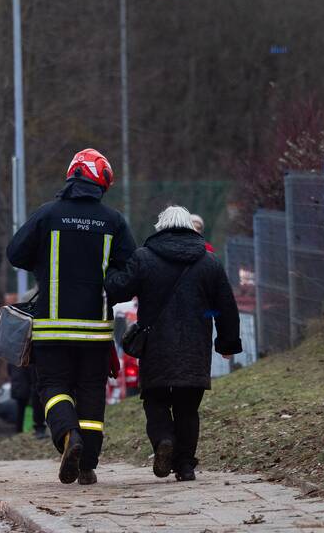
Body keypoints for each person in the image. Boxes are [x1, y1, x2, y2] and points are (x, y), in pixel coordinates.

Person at [7, 148, 136, 485]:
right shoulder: (114, 221)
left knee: (52, 386)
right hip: (95, 329)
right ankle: (88, 464)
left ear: (71, 176)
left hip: (51, 327)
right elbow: (130, 271)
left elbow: (15, 252)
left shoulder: (47, 215)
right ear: (102, 182)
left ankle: (68, 437)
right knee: (92, 391)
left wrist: (42, 262)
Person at [104, 205, 242, 482]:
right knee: (188, 408)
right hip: (195, 346)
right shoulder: (209, 262)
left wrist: (110, 265)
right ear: (190, 227)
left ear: (160, 227)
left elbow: (117, 289)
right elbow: (225, 306)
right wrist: (226, 343)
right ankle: (186, 466)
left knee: (154, 400)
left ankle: (164, 440)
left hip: (156, 344)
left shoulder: (144, 258)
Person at [8, 363, 46, 439]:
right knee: (34, 408)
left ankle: (19, 430)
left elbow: (9, 372)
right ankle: (35, 428)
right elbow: (30, 375)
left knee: (20, 411)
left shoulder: (11, 361)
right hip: (26, 388)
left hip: (16, 387)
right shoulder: (25, 360)